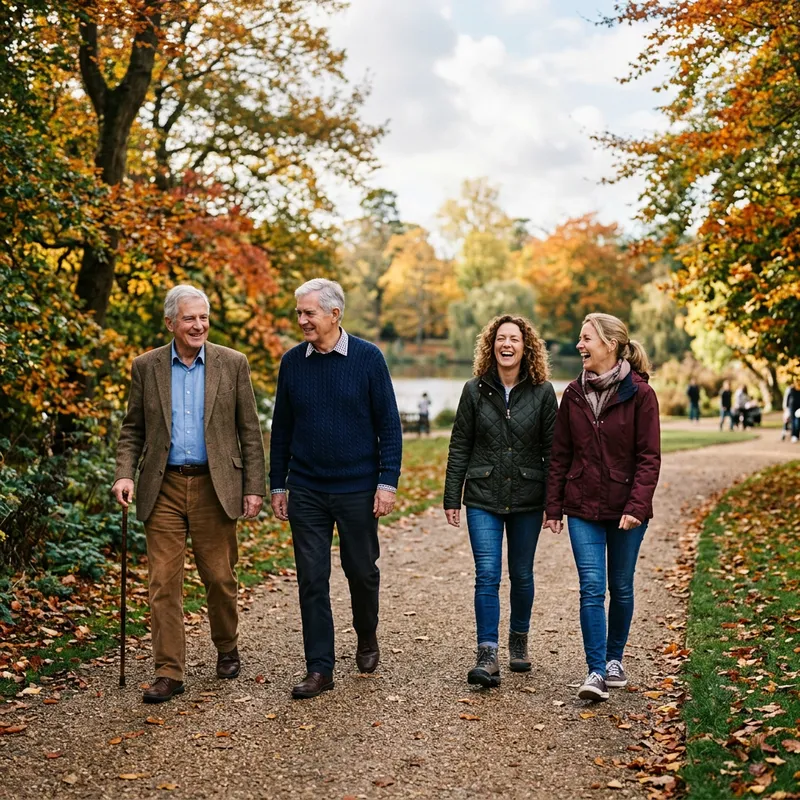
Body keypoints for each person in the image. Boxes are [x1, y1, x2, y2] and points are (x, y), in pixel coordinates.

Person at [112, 285, 266, 704]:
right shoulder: (146, 367)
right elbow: (132, 430)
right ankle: (169, 671)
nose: (198, 325)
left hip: (214, 486)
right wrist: (124, 473)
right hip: (161, 486)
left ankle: (227, 645)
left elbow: (249, 431)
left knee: (220, 578)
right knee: (163, 582)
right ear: (170, 323)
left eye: (203, 317)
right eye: (189, 318)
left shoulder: (232, 363)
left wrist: (255, 487)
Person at [269, 278, 403, 699]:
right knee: (312, 578)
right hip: (306, 487)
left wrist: (387, 481)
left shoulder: (367, 358)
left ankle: (366, 635)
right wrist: (278, 484)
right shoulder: (292, 363)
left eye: (309, 312)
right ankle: (320, 668)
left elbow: (389, 425)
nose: (302, 320)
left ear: (334, 314)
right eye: (299, 313)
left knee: (362, 571)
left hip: (357, 488)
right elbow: (282, 430)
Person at [544, 313, 661, 702]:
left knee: (621, 586)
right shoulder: (573, 395)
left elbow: (649, 458)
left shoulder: (640, 394)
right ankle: (595, 671)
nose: (579, 345)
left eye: (586, 338)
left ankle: (614, 659)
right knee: (592, 588)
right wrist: (554, 507)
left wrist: (637, 506)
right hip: (582, 508)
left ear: (610, 344)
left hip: (627, 510)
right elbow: (560, 454)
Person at [443, 315, 557, 688]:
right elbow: (460, 444)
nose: (507, 344)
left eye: (515, 339)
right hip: (482, 496)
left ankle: (518, 641)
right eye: (500, 338)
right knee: (487, 574)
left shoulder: (542, 392)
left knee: (521, 574)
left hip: (527, 496)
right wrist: (452, 497)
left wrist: (554, 503)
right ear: (491, 345)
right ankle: (487, 654)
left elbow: (553, 451)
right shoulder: (474, 389)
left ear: (527, 348)